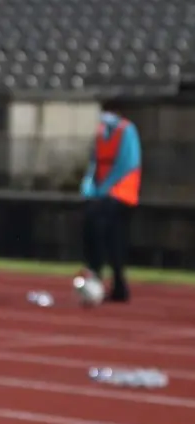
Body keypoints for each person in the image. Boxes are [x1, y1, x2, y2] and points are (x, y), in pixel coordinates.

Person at [79, 100, 141, 302]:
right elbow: (94, 163)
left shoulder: (127, 131)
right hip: (103, 195)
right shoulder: (101, 133)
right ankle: (95, 274)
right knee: (91, 228)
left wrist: (105, 188)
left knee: (115, 238)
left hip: (122, 194)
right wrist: (89, 187)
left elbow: (127, 164)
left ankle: (119, 285)